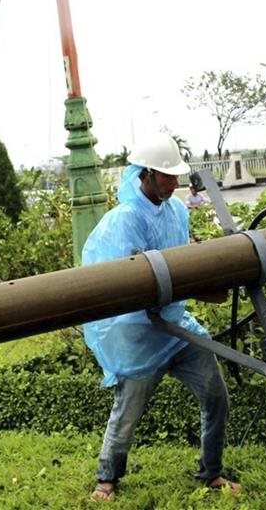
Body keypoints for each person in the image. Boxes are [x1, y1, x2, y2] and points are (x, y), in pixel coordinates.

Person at [81, 133, 240, 501]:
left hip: (176, 326)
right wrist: (199, 290)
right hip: (138, 331)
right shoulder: (124, 220)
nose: (174, 181)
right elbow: (135, 281)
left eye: (176, 175)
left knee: (215, 395)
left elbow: (183, 258)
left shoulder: (178, 211)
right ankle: (107, 479)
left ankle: (211, 472)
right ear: (146, 174)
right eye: (167, 175)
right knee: (127, 411)